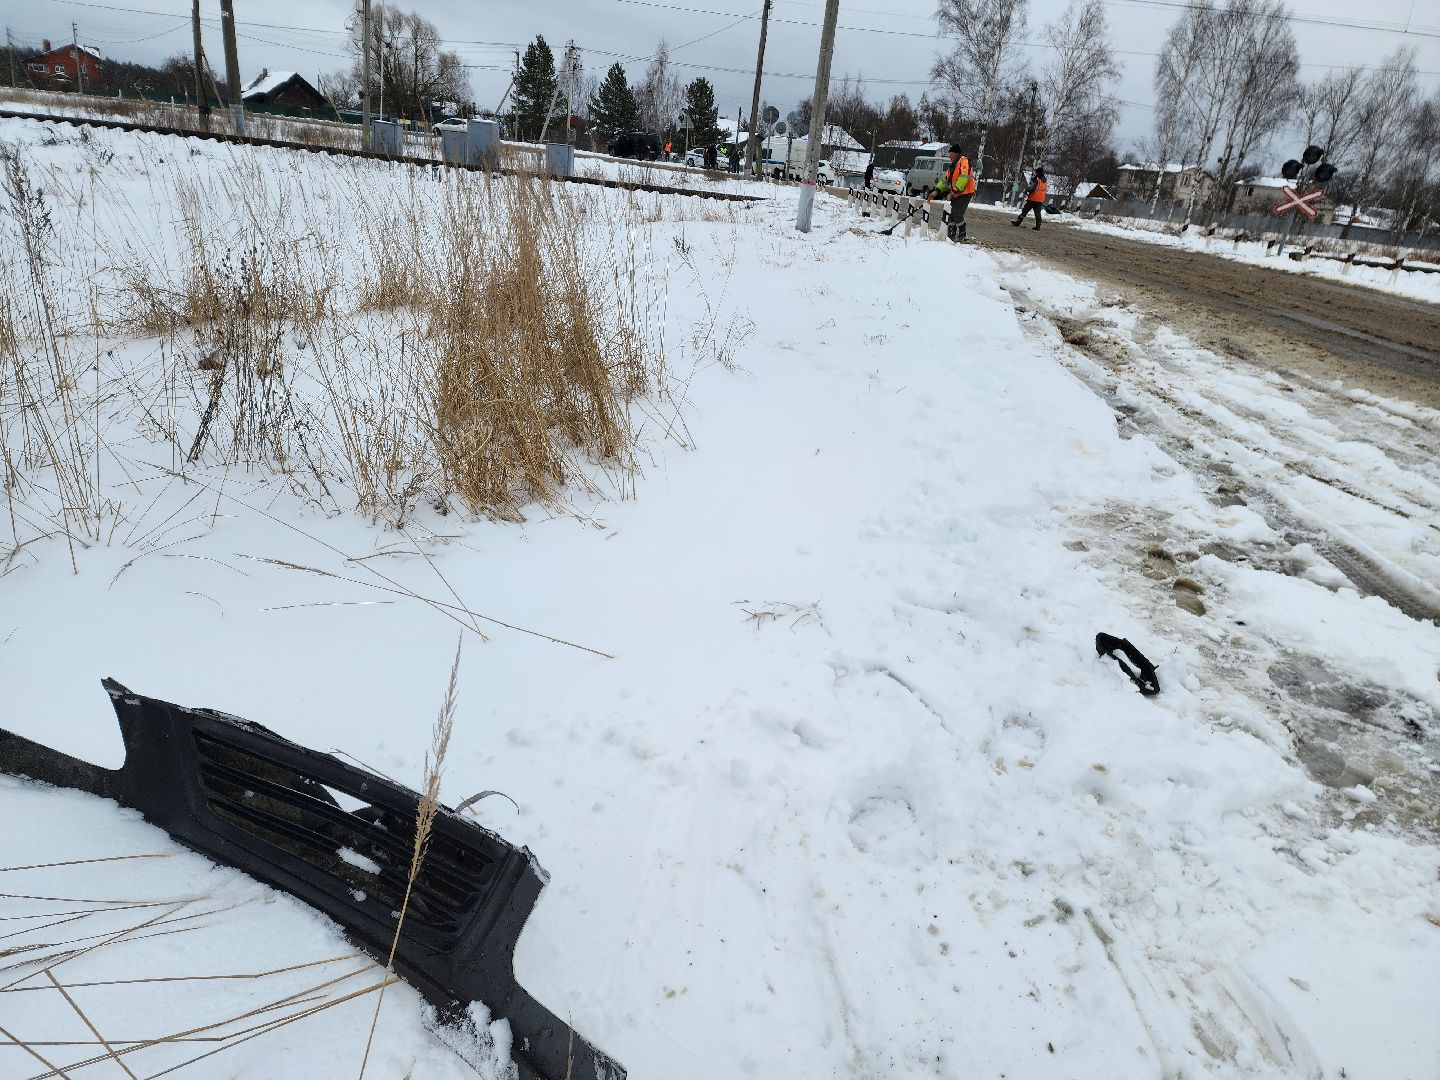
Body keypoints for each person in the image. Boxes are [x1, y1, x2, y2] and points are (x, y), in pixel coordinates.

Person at [926, 143, 976, 242]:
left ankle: (962, 234)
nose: (950, 157)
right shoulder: (952, 167)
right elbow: (945, 181)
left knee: (957, 212)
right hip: (956, 193)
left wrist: (955, 190)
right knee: (951, 214)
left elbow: (964, 177)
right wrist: (936, 191)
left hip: (965, 192)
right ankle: (951, 235)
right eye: (949, 155)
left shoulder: (964, 161)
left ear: (956, 154)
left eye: (951, 155)